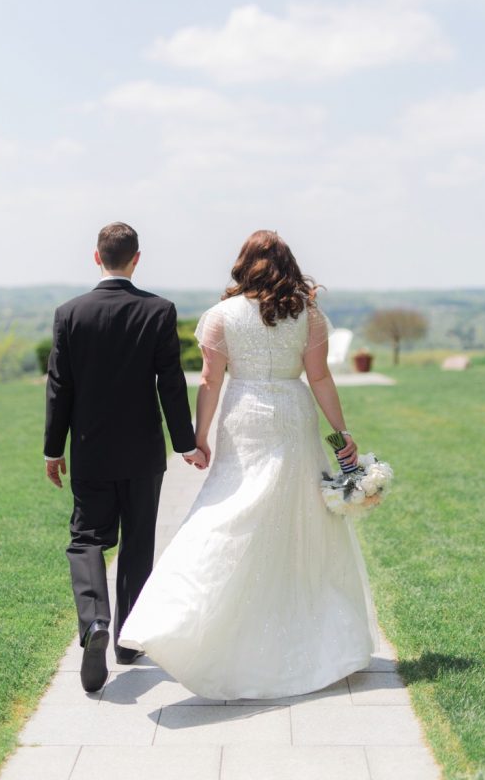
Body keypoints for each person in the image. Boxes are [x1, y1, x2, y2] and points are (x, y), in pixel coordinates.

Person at [118, 229, 381, 699]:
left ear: (243, 264)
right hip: (292, 414)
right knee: (295, 518)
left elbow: (210, 381)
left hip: (244, 416)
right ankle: (298, 628)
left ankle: (181, 615)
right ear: (288, 265)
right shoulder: (308, 314)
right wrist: (342, 432)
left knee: (229, 510)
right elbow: (319, 377)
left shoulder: (220, 315)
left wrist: (197, 439)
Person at [43, 222, 206, 693]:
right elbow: (170, 383)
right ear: (137, 258)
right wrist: (186, 443)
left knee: (86, 539)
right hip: (142, 452)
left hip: (90, 449)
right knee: (137, 543)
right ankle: (128, 641)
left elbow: (60, 388)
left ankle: (95, 621)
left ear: (97, 257)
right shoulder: (158, 311)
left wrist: (54, 449)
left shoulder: (69, 314)